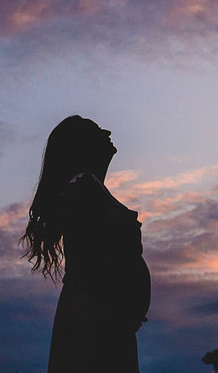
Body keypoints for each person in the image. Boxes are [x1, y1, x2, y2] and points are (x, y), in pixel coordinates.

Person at [22, 116, 150, 373]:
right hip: (96, 318)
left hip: (100, 315)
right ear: (82, 146)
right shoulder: (84, 187)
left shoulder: (88, 187)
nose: (108, 131)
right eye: (96, 130)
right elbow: (103, 261)